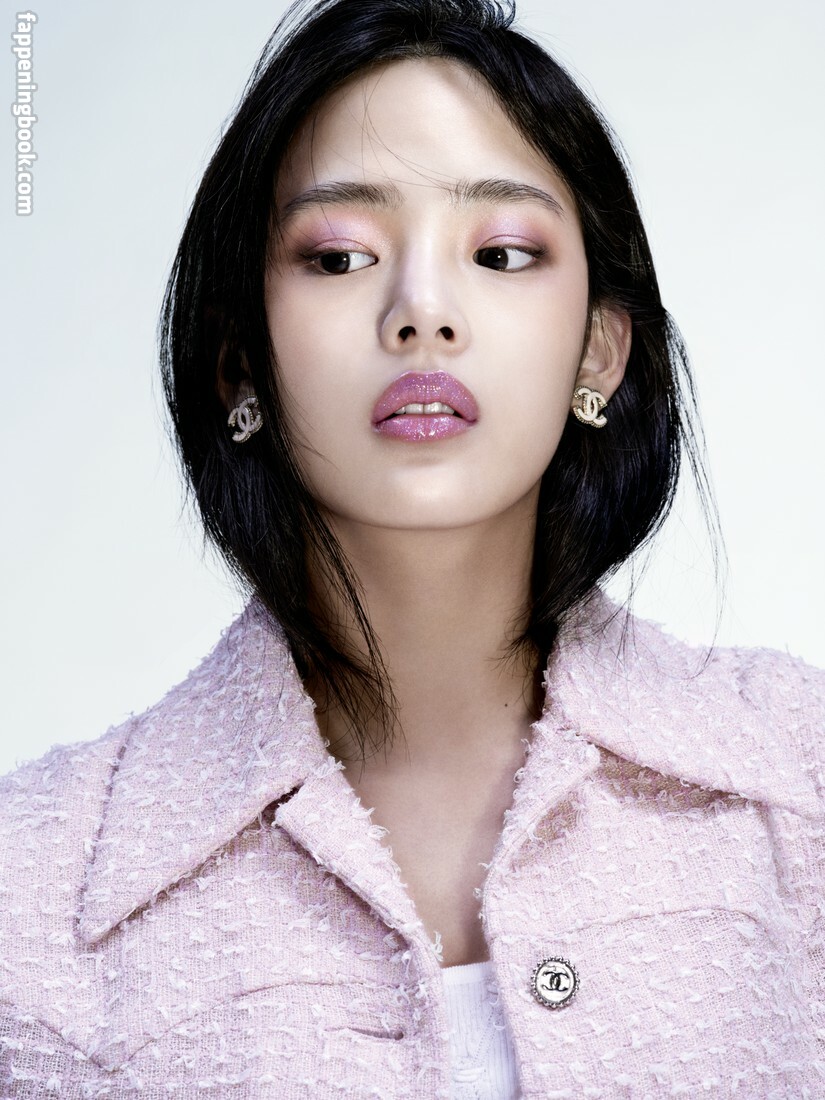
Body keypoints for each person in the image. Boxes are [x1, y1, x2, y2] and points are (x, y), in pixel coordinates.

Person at [1, 0, 823, 1096]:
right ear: (239, 363)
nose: (422, 311)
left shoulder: (800, 782)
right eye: (340, 256)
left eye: (502, 251)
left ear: (600, 350)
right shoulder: (33, 887)